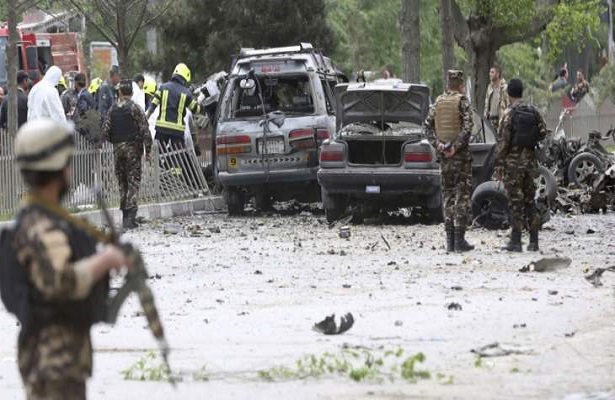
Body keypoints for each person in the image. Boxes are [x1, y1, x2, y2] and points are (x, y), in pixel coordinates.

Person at [0, 118, 129, 399]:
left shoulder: (44, 218)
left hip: (58, 359)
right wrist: (105, 261)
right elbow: (62, 281)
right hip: (53, 364)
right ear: (58, 169)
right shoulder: (40, 226)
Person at [494, 78, 548, 252]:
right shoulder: (533, 111)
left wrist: (499, 165)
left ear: (509, 94)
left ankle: (516, 241)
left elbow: (503, 142)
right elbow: (543, 131)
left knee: (515, 202)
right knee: (529, 201)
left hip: (513, 164)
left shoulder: (509, 114)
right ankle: (534, 241)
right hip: (530, 162)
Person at [425, 70, 475, 253]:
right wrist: (456, 146)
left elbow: (427, 126)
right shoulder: (462, 101)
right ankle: (459, 240)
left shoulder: (437, 102)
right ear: (461, 85)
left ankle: (449, 242)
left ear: (447, 85)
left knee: (447, 196)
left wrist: (438, 145)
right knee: (461, 196)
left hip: (444, 159)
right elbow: (469, 126)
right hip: (460, 158)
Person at [102, 79, 152, 229]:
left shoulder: (112, 110)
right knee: (133, 181)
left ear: (120, 93)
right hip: (133, 150)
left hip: (118, 151)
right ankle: (130, 218)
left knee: (122, 182)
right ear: (131, 92)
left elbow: (105, 131)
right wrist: (147, 150)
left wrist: (116, 143)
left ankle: (125, 216)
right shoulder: (135, 109)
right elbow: (145, 130)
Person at [146, 63, 201, 147]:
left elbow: (152, 106)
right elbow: (196, 110)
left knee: (159, 154)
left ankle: (161, 160)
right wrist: (197, 98)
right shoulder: (186, 92)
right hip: (177, 131)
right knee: (178, 155)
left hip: (162, 129)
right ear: (184, 78)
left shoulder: (162, 87)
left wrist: (146, 120)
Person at [484, 65, 509, 131]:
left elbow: (508, 105)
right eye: (490, 72)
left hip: (500, 121)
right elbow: (486, 105)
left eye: (492, 72)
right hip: (490, 120)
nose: (490, 74)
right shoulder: (489, 87)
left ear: (498, 74)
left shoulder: (504, 88)